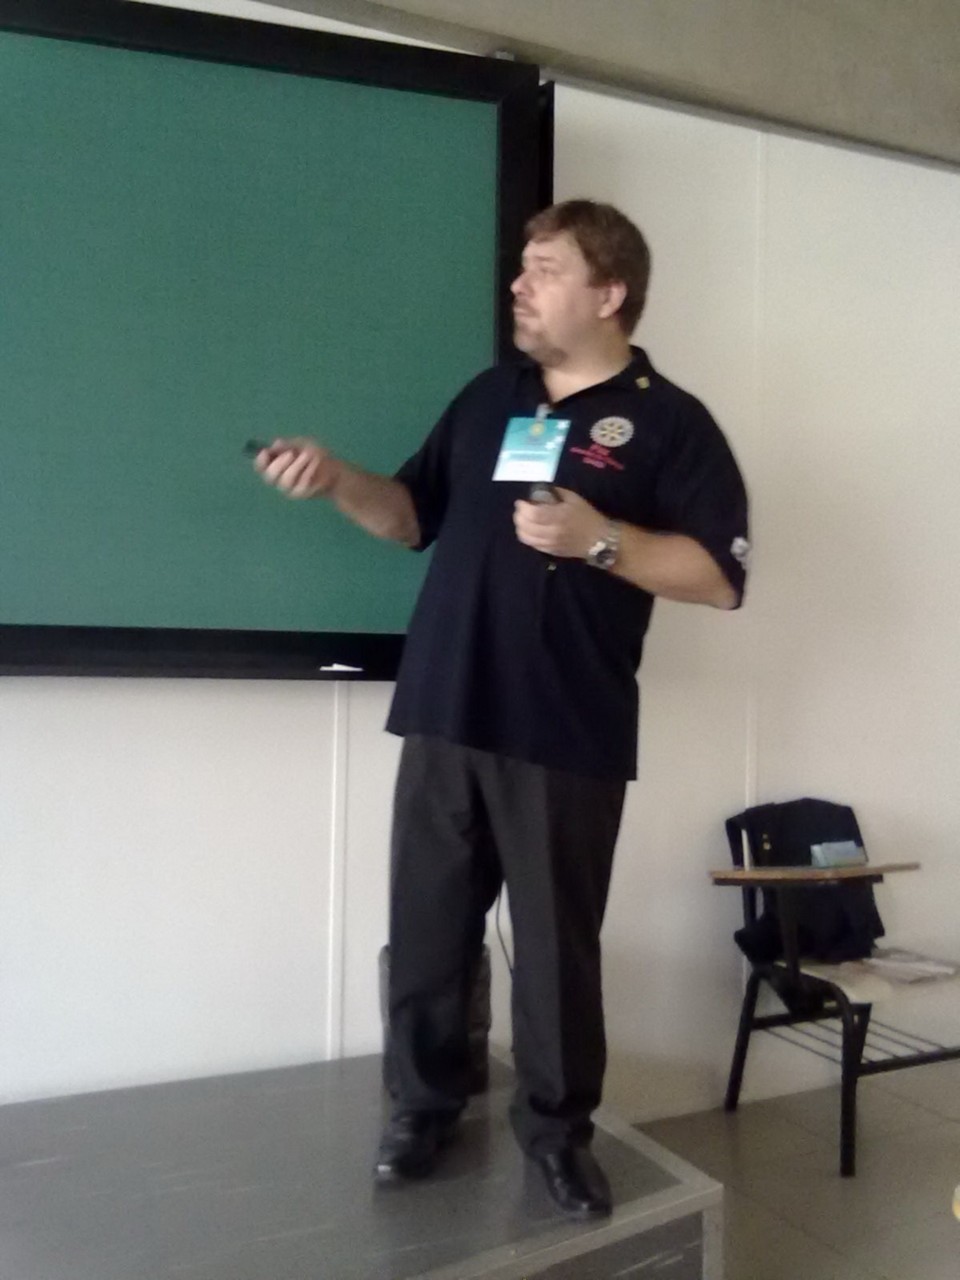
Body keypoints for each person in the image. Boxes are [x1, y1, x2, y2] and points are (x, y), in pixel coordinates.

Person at [254, 200, 749, 1219]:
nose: (518, 285)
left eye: (544, 268)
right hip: (446, 707)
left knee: (557, 953)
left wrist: (602, 539)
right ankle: (422, 1109)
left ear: (608, 293)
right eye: (522, 266)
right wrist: (338, 478)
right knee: (427, 934)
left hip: (567, 727)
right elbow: (410, 517)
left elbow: (719, 576)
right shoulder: (491, 397)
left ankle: (558, 1135)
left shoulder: (670, 421)